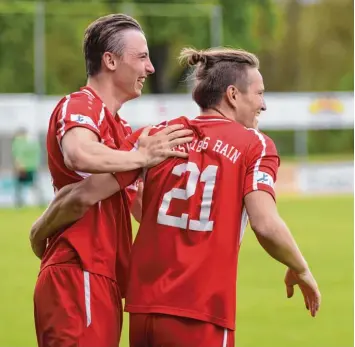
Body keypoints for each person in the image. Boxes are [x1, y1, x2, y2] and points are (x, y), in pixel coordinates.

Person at [31, 47, 321, 347]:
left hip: (143, 312)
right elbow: (265, 223)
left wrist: (39, 231)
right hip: (202, 311)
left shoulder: (157, 137)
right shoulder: (255, 145)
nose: (263, 105)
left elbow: (84, 195)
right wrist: (300, 267)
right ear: (233, 95)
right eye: (259, 94)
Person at [30, 14, 193, 347]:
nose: (150, 69)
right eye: (142, 57)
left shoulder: (120, 129)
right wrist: (141, 158)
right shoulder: (79, 104)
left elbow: (138, 207)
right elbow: (79, 153)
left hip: (105, 277)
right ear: (110, 60)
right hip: (79, 270)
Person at [11, 127, 43, 207]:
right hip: (32, 167)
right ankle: (40, 201)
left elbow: (18, 155)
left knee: (19, 186)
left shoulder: (18, 142)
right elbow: (37, 154)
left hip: (23, 167)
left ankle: (19, 203)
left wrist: (18, 166)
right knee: (34, 185)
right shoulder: (32, 142)